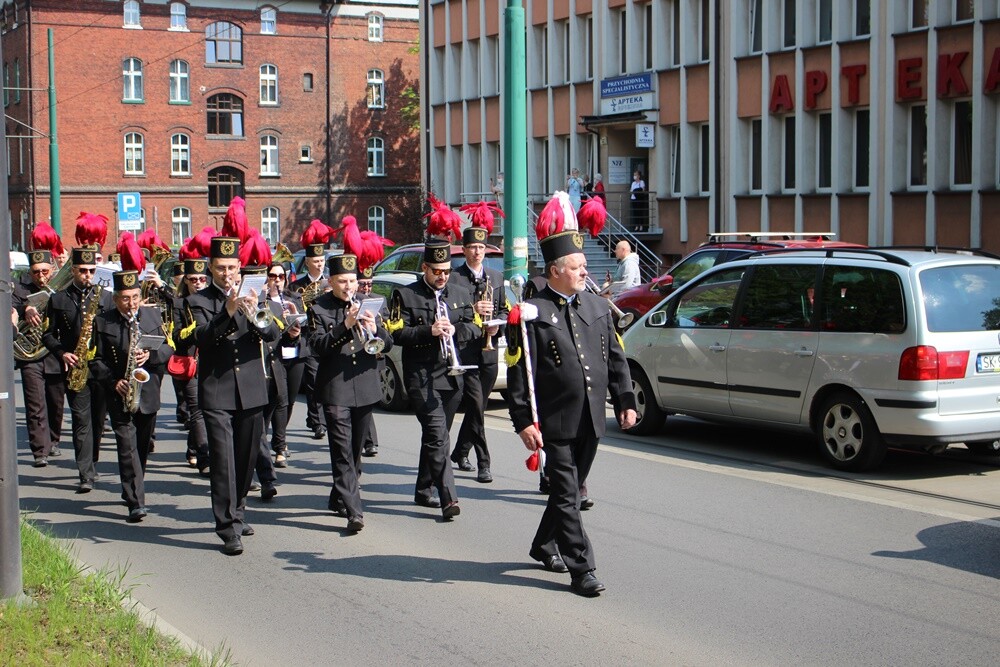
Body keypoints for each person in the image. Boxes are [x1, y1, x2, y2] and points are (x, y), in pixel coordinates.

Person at [506, 228, 637, 597]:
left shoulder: (596, 306)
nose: (585, 272)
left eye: (584, 266)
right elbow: (520, 370)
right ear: (555, 270)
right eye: (578, 266)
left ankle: (543, 545)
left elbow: (616, 359)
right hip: (553, 421)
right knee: (568, 495)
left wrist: (625, 401)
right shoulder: (532, 312)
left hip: (592, 418)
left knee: (566, 494)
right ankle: (583, 569)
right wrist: (522, 423)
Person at [187, 236, 280, 555]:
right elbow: (202, 339)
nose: (227, 273)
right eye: (221, 268)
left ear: (240, 267)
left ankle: (238, 513)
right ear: (211, 269)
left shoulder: (254, 294)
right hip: (217, 390)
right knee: (224, 460)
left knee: (245, 457)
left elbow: (272, 335)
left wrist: (255, 314)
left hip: (252, 389)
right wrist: (226, 312)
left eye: (232, 267)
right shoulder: (198, 301)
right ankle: (227, 526)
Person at [388, 239, 477, 520]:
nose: (442, 277)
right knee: (439, 437)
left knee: (437, 437)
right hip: (421, 376)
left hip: (452, 376)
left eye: (447, 271)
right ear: (424, 267)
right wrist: (430, 331)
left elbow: (475, 326)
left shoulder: (461, 293)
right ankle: (448, 498)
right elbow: (396, 334)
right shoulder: (405, 295)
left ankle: (423, 489)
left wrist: (456, 330)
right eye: (437, 271)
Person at [309, 253, 392, 531]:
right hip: (335, 388)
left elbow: (388, 343)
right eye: (342, 281)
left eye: (352, 280)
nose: (349, 286)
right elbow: (318, 346)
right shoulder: (318, 308)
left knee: (355, 452)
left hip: (365, 385)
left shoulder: (370, 305)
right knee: (342, 451)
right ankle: (354, 512)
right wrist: (344, 326)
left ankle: (338, 495)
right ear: (331, 281)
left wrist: (375, 328)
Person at [89, 262, 171, 522]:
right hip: (119, 392)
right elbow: (95, 361)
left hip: (147, 392)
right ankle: (136, 501)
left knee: (141, 448)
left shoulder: (153, 316)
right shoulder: (103, 321)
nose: (131, 303)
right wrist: (113, 381)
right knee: (126, 446)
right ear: (116, 299)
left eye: (135, 297)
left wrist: (152, 354)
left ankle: (134, 486)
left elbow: (169, 350)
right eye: (125, 298)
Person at [42, 246, 114, 493]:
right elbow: (48, 334)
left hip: (102, 367)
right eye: (82, 270)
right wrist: (63, 353)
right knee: (81, 421)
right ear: (72, 270)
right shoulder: (59, 298)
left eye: (91, 270)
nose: (87, 275)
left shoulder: (105, 297)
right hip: (75, 367)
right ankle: (86, 474)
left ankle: (91, 460)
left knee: (97, 420)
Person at [448, 225, 507, 483]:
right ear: (464, 249)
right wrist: (472, 308)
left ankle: (460, 452)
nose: (477, 252)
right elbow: (449, 313)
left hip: (489, 351)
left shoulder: (495, 276)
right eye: (472, 247)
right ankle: (484, 462)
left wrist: (498, 324)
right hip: (468, 353)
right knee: (476, 407)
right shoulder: (453, 278)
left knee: (477, 408)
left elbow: (504, 310)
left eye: (481, 248)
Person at [13, 249, 65, 467]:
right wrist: (25, 308)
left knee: (56, 402)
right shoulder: (20, 289)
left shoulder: (60, 287)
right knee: (35, 404)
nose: (41, 276)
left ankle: (53, 440)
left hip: (54, 352)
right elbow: (11, 307)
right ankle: (39, 451)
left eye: (45, 271)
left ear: (52, 269)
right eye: (36, 272)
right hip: (30, 356)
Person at [264, 262, 304, 467]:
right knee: (277, 399)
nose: (277, 280)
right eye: (273, 275)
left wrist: (295, 329)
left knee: (288, 400)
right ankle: (278, 446)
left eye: (281, 276)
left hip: (292, 354)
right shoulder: (262, 300)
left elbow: (304, 325)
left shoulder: (293, 299)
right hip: (271, 355)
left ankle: (279, 439)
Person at [173, 258, 211, 475]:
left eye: (201, 278)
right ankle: (205, 458)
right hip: (189, 361)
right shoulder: (179, 304)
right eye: (193, 279)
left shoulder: (209, 301)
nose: (198, 282)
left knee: (207, 409)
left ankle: (192, 449)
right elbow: (177, 336)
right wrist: (195, 329)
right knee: (197, 409)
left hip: (210, 362)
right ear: (185, 281)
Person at [289, 235, 328, 441]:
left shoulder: (329, 283)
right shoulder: (297, 286)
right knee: (312, 379)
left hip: (326, 336)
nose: (319, 265)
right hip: (306, 337)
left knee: (324, 378)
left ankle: (317, 418)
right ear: (307, 262)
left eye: (322, 261)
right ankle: (317, 422)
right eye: (316, 261)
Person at [357, 267, 381, 458]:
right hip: (358, 355)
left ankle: (368, 440)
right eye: (363, 284)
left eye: (369, 284)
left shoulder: (379, 300)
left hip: (375, 354)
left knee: (369, 401)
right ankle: (369, 442)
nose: (366, 288)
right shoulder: (352, 302)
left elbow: (388, 321)